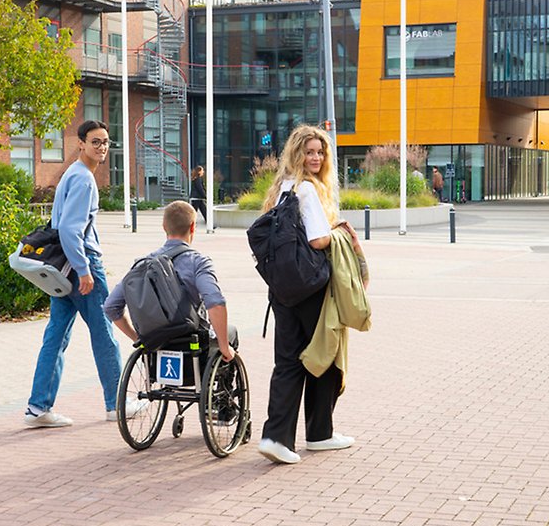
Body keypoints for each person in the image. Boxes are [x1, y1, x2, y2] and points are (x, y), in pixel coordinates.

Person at [257, 124, 360, 465]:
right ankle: (319, 433)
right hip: (311, 286)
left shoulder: (282, 188)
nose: (315, 157)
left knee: (287, 362)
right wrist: (341, 232)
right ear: (297, 154)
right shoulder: (308, 190)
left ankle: (276, 437)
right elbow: (317, 240)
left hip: (282, 288)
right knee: (323, 355)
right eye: (310, 152)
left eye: (320, 152)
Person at [24, 120, 129, 428]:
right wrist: (84, 270)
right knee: (104, 331)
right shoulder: (83, 179)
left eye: (106, 142)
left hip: (63, 267)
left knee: (56, 335)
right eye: (95, 142)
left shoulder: (73, 173)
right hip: (81, 266)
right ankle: (117, 404)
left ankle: (38, 407)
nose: (102, 147)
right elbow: (71, 230)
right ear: (81, 144)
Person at [105, 200, 236, 361]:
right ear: (193, 227)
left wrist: (138, 340)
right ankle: (228, 383)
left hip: (156, 344)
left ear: (164, 227)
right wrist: (224, 346)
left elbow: (111, 306)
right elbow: (215, 303)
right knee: (231, 333)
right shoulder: (198, 262)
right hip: (193, 345)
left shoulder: (143, 264)